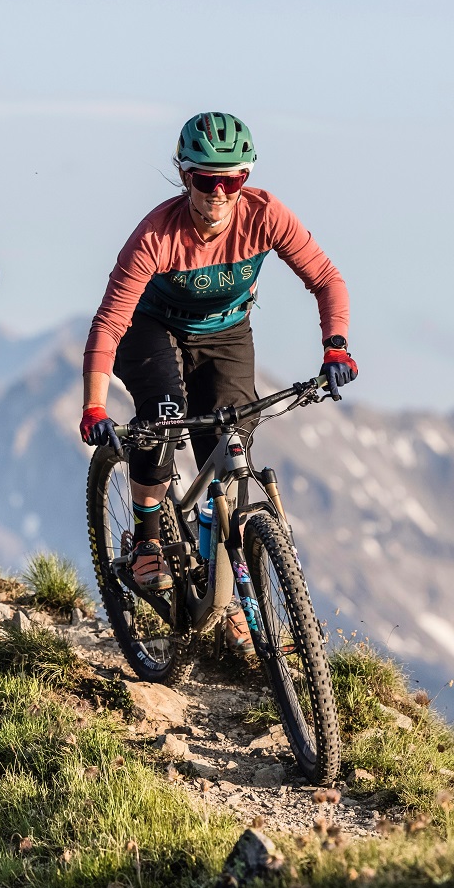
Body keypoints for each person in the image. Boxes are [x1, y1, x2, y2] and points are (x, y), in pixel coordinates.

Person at [80, 111, 356, 645]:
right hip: (150, 327)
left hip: (226, 333)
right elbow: (110, 322)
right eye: (208, 180)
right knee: (162, 418)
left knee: (231, 449)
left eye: (234, 180)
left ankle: (225, 593)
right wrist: (93, 406)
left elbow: (326, 279)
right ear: (186, 176)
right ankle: (148, 541)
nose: (220, 193)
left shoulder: (266, 215)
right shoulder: (156, 235)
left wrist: (336, 346)